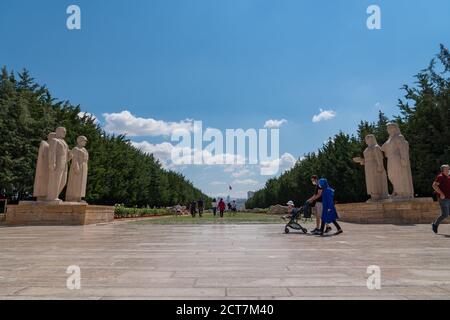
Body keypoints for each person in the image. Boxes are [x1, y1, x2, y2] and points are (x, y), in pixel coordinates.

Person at [432, 165, 450, 234]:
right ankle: (435, 224)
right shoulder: (440, 177)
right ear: (442, 170)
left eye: (448, 169)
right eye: (446, 169)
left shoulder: (448, 176)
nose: (448, 170)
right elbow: (434, 185)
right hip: (444, 199)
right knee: (445, 214)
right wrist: (441, 193)